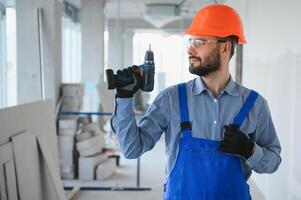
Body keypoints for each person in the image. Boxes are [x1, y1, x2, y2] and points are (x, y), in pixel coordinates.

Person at [111, 4, 281, 200]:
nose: (190, 49)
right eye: (190, 41)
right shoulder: (171, 99)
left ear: (225, 47)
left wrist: (250, 150)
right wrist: (124, 98)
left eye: (199, 42)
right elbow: (132, 149)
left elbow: (273, 162)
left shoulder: (254, 104)